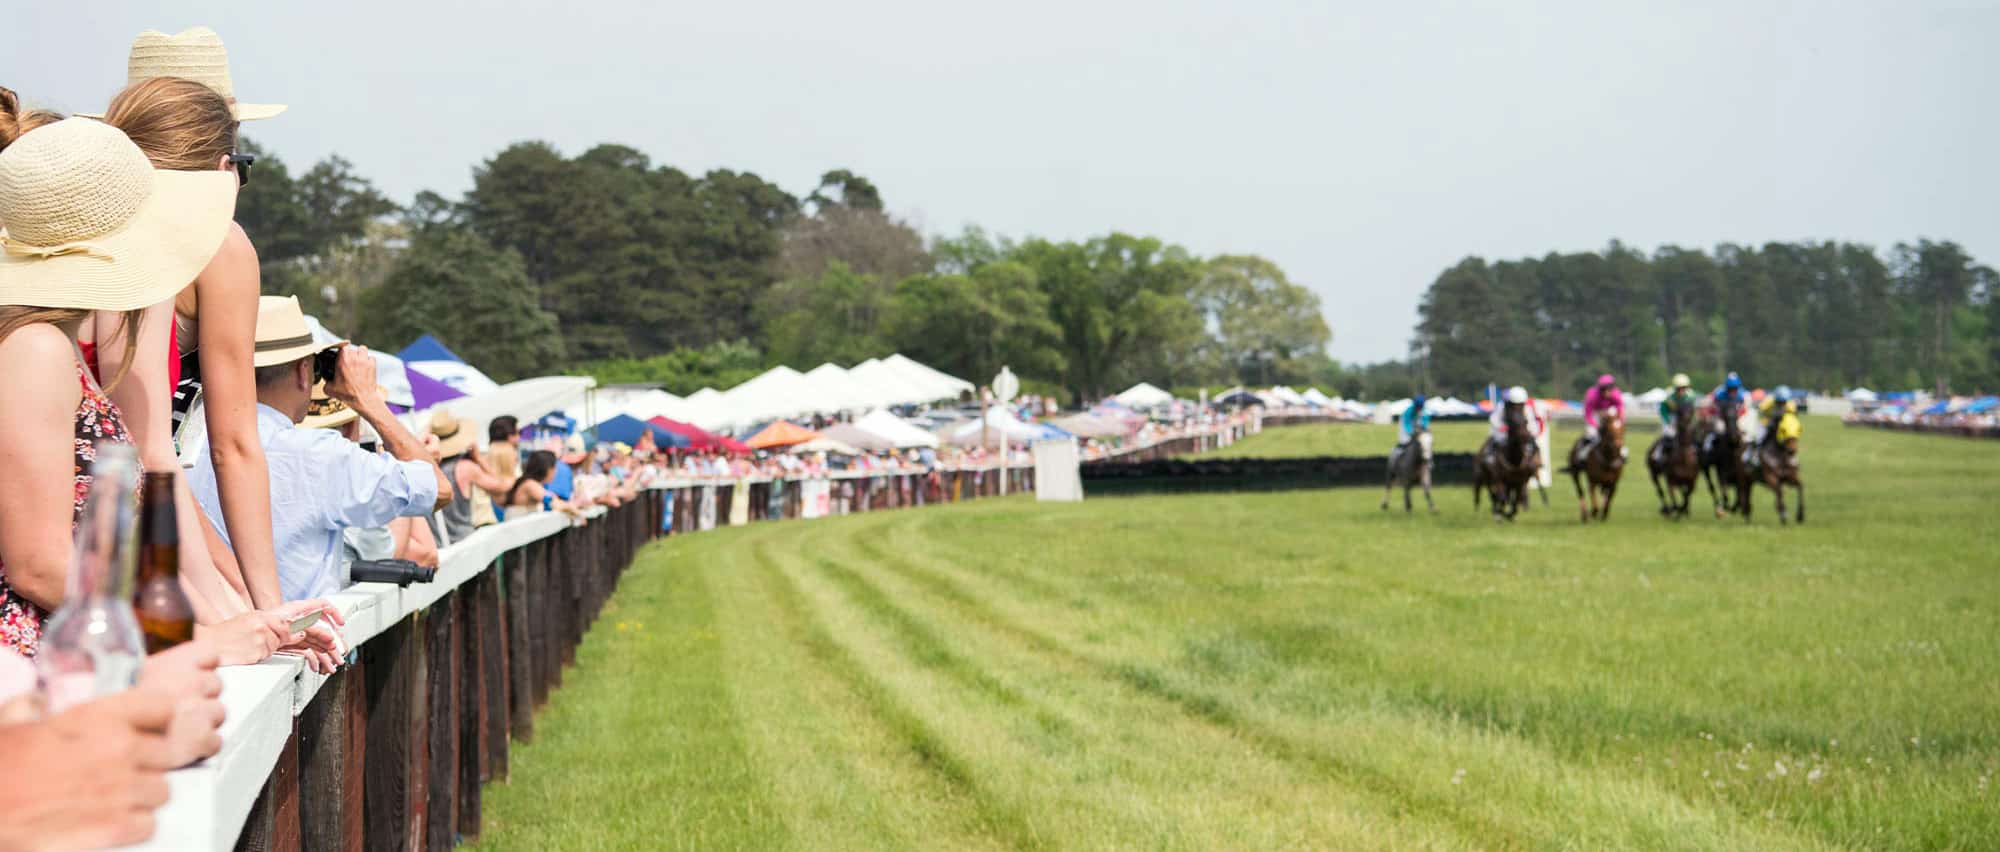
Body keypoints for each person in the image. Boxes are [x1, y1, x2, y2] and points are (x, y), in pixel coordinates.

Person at [92, 38, 292, 614]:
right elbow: (224, 445)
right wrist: (260, 603)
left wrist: (235, 593)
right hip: (108, 531)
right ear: (221, 161)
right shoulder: (213, 248)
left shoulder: (73, 228)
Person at [187, 297, 450, 604]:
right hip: (299, 643)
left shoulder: (180, 441)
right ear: (304, 372)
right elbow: (438, 489)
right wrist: (367, 400)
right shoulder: (321, 456)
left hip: (202, 641)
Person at [503, 450, 585, 519]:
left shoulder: (533, 484)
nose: (556, 472)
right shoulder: (530, 484)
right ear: (548, 469)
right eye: (554, 468)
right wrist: (575, 510)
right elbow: (552, 502)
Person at [1579, 374, 1628, 459]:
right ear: (1600, 389)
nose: (1606, 393)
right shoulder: (1592, 396)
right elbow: (1588, 414)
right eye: (1604, 390)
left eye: (1609, 389)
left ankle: (1622, 450)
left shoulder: (1616, 394)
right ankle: (1583, 453)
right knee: (1592, 433)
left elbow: (1620, 408)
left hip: (1609, 412)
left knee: (1615, 431)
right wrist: (1596, 426)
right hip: (1595, 414)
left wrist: (1620, 421)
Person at [1706, 372, 1748, 456]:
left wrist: (1738, 415)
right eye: (1730, 388)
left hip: (1736, 418)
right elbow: (1714, 407)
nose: (1733, 390)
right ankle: (1709, 449)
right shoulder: (1720, 395)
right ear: (1727, 387)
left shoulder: (1741, 395)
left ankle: (1746, 456)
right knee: (1719, 429)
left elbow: (1744, 408)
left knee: (1745, 434)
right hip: (1722, 418)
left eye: (1735, 388)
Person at [1658, 373, 1698, 454]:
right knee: (1669, 434)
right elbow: (1663, 411)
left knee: (1695, 433)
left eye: (1683, 388)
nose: (1681, 390)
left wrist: (1691, 420)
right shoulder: (1669, 399)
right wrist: (1669, 422)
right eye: (1679, 388)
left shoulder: (1690, 398)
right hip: (1672, 419)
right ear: (1675, 388)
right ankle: (1660, 454)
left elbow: (1692, 411)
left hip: (1686, 420)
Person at [1393, 393, 1430, 467]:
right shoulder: (1408, 411)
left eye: (1420, 407)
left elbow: (1425, 422)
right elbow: (1406, 424)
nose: (1419, 409)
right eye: (1418, 407)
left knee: (1426, 441)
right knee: (1404, 443)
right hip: (1406, 431)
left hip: (1419, 431)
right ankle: (1395, 462)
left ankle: (1428, 461)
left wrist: (1423, 428)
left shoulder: (1424, 411)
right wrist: (1411, 432)